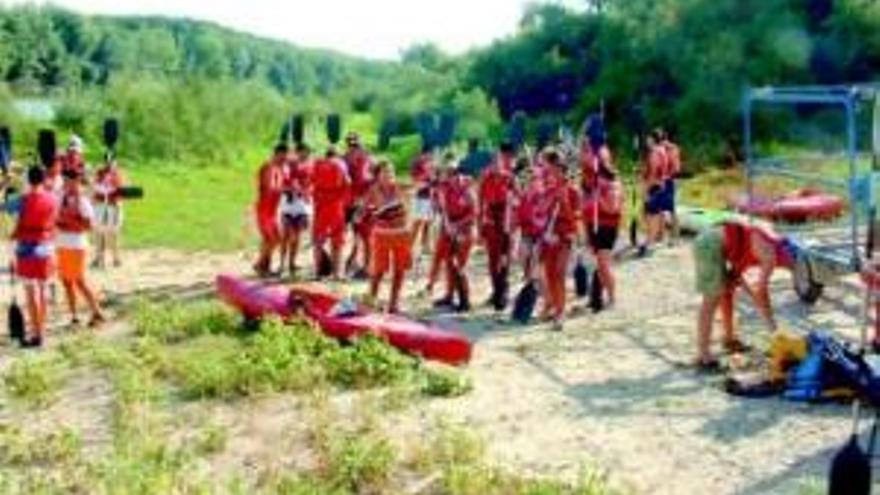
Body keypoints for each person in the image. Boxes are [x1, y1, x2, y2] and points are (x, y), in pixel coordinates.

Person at [693, 220, 796, 370]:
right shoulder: (770, 257)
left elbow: (743, 280)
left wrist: (753, 295)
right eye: (791, 265)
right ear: (788, 257)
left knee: (727, 289)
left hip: (718, 241)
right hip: (710, 244)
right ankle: (703, 356)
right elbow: (762, 292)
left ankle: (729, 339)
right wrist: (773, 329)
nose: (790, 268)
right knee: (710, 301)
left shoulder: (771, 243)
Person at [11, 166, 59, 348]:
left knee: (31, 294)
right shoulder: (52, 198)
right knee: (43, 291)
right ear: (43, 179)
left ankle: (37, 334)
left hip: (27, 249)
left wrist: (7, 185)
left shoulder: (22, 200)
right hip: (46, 247)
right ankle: (42, 332)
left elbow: (3, 206)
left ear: (28, 180)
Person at [56, 168, 105, 327]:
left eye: (68, 181)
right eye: (64, 180)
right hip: (62, 243)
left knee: (79, 280)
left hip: (76, 244)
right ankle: (74, 316)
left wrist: (69, 223)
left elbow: (89, 225)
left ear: (76, 181)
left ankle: (97, 312)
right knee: (66, 281)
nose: (65, 183)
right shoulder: (61, 196)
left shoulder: (82, 200)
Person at [539, 151, 578, 330]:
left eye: (557, 171)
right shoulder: (547, 190)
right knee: (550, 275)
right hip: (548, 238)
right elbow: (540, 215)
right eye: (551, 171)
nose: (553, 175)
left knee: (560, 273)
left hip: (565, 237)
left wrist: (565, 203)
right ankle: (556, 308)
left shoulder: (572, 191)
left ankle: (561, 313)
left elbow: (576, 218)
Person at [365, 161, 410, 313]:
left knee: (400, 270)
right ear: (378, 175)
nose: (389, 175)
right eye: (385, 172)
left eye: (391, 172)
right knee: (378, 271)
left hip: (401, 234)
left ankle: (394, 304)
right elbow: (366, 209)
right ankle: (371, 301)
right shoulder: (373, 190)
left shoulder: (401, 186)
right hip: (381, 235)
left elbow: (421, 185)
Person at [429, 163, 475, 312]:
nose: (449, 177)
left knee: (460, 266)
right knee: (448, 263)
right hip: (448, 230)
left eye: (452, 173)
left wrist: (457, 225)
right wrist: (435, 200)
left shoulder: (466, 190)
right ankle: (449, 295)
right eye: (447, 174)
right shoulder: (444, 189)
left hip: (464, 231)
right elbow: (439, 208)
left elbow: (473, 214)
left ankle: (465, 300)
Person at [478, 142, 517, 309]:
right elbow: (481, 202)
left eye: (498, 160)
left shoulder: (509, 178)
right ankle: (496, 290)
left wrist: (513, 223)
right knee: (492, 259)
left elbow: (517, 200)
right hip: (491, 220)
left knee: (505, 257)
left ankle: (504, 289)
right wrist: (480, 224)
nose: (496, 164)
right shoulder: (485, 178)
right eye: (493, 161)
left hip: (506, 219)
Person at [583, 154, 624, 308]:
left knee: (604, 265)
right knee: (599, 266)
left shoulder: (612, 185)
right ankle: (598, 297)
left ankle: (612, 297)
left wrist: (598, 195)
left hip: (606, 228)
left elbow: (612, 208)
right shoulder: (594, 185)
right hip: (594, 227)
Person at [311, 146, 351, 280]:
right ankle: (336, 273)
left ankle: (317, 272)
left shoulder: (317, 164)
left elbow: (311, 183)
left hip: (320, 206)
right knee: (337, 240)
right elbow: (348, 182)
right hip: (335, 205)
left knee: (318, 240)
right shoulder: (340, 164)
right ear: (337, 155)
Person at [278, 143, 313, 277]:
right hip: (288, 204)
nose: (307, 155)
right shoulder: (289, 164)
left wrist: (307, 191)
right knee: (286, 235)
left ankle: (292, 263)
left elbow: (311, 183)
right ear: (299, 152)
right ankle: (282, 264)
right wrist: (291, 187)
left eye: (308, 153)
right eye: (305, 152)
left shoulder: (310, 166)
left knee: (297, 235)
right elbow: (283, 180)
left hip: (302, 205)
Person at [253, 143, 287, 277]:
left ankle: (261, 264)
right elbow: (270, 186)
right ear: (278, 154)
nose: (285, 159)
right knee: (271, 239)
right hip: (264, 209)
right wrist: (286, 189)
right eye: (283, 156)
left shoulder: (278, 168)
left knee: (276, 238)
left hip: (272, 210)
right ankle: (262, 266)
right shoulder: (269, 167)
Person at [343, 133, 374, 278]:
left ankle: (366, 267)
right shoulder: (343, 160)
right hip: (347, 203)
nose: (353, 147)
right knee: (351, 235)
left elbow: (372, 181)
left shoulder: (367, 160)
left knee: (364, 235)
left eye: (355, 145)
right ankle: (352, 262)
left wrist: (365, 200)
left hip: (361, 203)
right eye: (350, 144)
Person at [92, 153, 125, 268]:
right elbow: (94, 185)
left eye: (111, 161)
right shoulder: (100, 172)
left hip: (113, 205)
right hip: (101, 205)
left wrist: (111, 190)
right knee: (99, 232)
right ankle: (98, 257)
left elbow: (120, 189)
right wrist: (101, 189)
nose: (108, 163)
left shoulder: (117, 174)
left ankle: (116, 257)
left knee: (113, 233)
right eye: (107, 161)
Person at [638, 131, 668, 256]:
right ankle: (652, 241)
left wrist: (646, 190)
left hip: (653, 187)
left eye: (648, 139)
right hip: (660, 186)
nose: (646, 141)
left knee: (650, 216)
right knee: (654, 215)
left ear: (652, 139)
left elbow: (653, 173)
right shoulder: (663, 151)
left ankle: (648, 244)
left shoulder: (655, 153)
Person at [410, 146, 435, 261]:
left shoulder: (429, 164)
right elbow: (416, 181)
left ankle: (426, 246)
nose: (431, 156)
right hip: (421, 197)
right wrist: (428, 181)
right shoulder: (418, 163)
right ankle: (410, 246)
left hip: (428, 196)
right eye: (430, 154)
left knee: (428, 223)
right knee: (418, 222)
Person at [658, 128, 682, 245]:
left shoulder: (671, 148)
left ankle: (674, 237)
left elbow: (676, 168)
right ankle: (662, 235)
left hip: (669, 181)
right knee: (662, 209)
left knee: (671, 209)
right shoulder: (669, 148)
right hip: (665, 180)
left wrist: (666, 176)